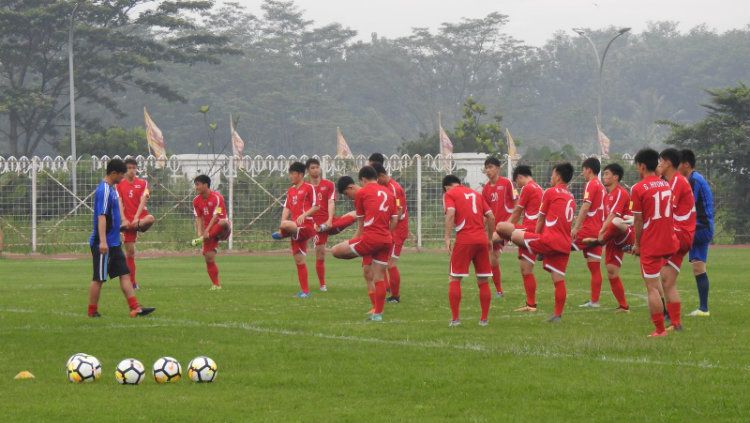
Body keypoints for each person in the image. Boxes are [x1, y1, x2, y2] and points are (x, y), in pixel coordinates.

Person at [496, 163, 576, 323]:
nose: (551, 178)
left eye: (552, 175)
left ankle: (481, 242)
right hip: (564, 242)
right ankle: (557, 315)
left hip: (546, 239)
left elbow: (541, 218)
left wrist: (536, 240)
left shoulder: (549, 192)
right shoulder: (571, 196)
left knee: (501, 228)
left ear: (558, 176)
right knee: (558, 279)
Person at [87, 158, 155, 318]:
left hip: (114, 241)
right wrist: (103, 241)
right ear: (113, 173)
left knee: (125, 274)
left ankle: (135, 308)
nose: (123, 178)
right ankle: (92, 312)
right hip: (104, 243)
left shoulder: (112, 189)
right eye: (121, 174)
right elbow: (102, 217)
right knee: (99, 278)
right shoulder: (104, 190)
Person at [331, 166, 398, 322]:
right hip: (386, 239)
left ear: (362, 180)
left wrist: (353, 244)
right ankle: (377, 314)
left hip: (369, 239)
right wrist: (385, 233)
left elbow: (361, 225)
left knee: (335, 251)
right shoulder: (389, 193)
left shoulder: (362, 193)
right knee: (378, 276)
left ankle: (359, 253)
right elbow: (395, 219)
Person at [630, 148, 679, 337]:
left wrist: (637, 244)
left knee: (651, 287)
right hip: (670, 241)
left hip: (652, 243)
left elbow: (639, 220)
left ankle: (659, 329)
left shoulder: (638, 188)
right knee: (669, 283)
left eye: (637, 166)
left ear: (642, 166)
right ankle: (675, 322)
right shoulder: (666, 184)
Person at [442, 174, 495, 326]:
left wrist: (447, 237)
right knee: (483, 280)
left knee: (454, 278)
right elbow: (491, 217)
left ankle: (455, 319)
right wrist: (490, 238)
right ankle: (484, 320)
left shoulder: (450, 194)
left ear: (446, 187)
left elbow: (451, 213)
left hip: (464, 240)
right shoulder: (476, 194)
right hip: (481, 239)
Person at [582, 163, 631, 312]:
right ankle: (623, 306)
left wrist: (601, 233)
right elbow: (606, 217)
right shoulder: (607, 195)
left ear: (616, 177)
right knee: (611, 271)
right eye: (604, 174)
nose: (604, 177)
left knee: (616, 222)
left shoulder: (620, 193)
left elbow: (613, 215)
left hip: (624, 234)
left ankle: (636, 246)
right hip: (612, 238)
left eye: (607, 174)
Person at [656, 148, 696, 331]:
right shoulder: (672, 181)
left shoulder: (677, 182)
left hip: (679, 235)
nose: (659, 165)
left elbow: (666, 210)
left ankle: (675, 322)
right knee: (666, 279)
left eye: (660, 161)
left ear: (668, 163)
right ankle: (675, 322)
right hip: (679, 234)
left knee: (666, 281)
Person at [272, 162, 319, 298]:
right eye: (290, 174)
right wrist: (282, 223)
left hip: (306, 226)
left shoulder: (309, 188)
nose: (290, 176)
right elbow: (286, 208)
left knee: (286, 225)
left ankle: (282, 234)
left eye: (293, 174)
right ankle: (304, 291)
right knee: (299, 260)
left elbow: (316, 207)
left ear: (300, 175)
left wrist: (304, 215)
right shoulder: (291, 190)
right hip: (295, 227)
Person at [678, 149, 714, 317]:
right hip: (701, 227)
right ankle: (703, 309)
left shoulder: (693, 180)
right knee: (698, 267)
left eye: (678, 163)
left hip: (700, 227)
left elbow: (686, 206)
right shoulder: (693, 178)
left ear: (686, 164)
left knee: (669, 247)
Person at [506, 165, 543, 312]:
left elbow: (517, 211)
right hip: (534, 229)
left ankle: (531, 304)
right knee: (525, 269)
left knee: (526, 269)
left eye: (517, 182)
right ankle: (530, 303)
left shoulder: (528, 188)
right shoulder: (538, 187)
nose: (517, 185)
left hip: (529, 230)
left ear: (520, 177)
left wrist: (507, 227)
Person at [571, 157, 606, 308]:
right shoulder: (602, 186)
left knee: (560, 246)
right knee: (594, 267)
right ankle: (594, 301)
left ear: (589, 170)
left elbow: (585, 207)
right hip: (598, 229)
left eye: (583, 169)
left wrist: (576, 227)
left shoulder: (591, 184)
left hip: (588, 229)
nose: (582, 172)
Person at [371, 162, 408, 304]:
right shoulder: (385, 187)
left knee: (391, 263)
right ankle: (389, 290)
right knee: (385, 261)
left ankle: (395, 296)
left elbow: (398, 211)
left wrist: (388, 230)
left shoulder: (394, 188)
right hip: (392, 228)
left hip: (398, 229)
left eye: (376, 179)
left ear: (380, 176)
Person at [116, 158, 155, 290]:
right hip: (127, 220)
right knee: (130, 253)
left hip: (139, 219)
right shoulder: (119, 185)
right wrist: (123, 219)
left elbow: (143, 200)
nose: (132, 170)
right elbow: (120, 202)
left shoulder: (143, 183)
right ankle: (132, 283)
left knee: (150, 218)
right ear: (124, 170)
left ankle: (129, 228)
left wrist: (137, 218)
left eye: (134, 168)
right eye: (129, 168)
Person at [481, 156, 516, 298]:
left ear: (498, 168)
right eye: (486, 168)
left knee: (484, 245)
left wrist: (510, 222)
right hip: (492, 228)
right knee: (493, 257)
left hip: (504, 227)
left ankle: (482, 282)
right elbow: (485, 213)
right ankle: (499, 291)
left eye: (491, 167)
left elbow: (517, 203)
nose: (488, 170)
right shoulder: (486, 189)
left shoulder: (507, 183)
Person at [191, 174, 232, 290]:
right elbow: (198, 218)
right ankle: (216, 285)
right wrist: (200, 233)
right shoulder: (196, 201)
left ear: (205, 185)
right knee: (209, 258)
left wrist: (206, 233)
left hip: (222, 229)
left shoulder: (217, 197)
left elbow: (215, 216)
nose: (196, 187)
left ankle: (203, 239)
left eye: (198, 185)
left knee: (223, 222)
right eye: (195, 185)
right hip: (208, 234)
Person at [306, 158, 335, 292]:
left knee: (352, 216)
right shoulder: (306, 188)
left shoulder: (329, 185)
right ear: (308, 171)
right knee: (321, 253)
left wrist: (329, 220)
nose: (315, 169)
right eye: (312, 168)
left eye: (317, 167)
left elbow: (330, 202)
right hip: (316, 225)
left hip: (329, 221)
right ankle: (322, 284)